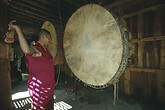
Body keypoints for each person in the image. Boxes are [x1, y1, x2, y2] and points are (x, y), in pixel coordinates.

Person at [8, 20, 55, 109]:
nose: (50, 40)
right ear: (43, 37)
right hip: (40, 91)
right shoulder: (36, 48)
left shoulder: (45, 49)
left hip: (49, 89)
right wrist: (18, 29)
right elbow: (27, 50)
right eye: (49, 38)